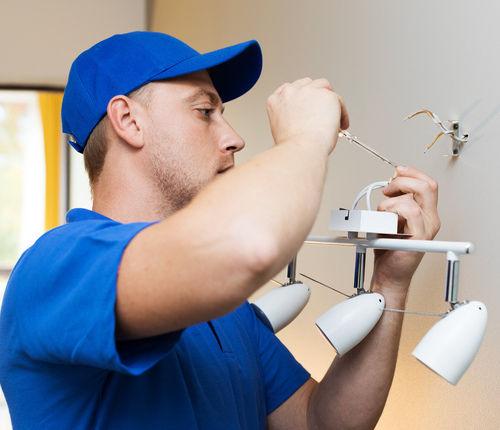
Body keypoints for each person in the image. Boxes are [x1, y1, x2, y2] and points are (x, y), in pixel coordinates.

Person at [0, 31, 440, 429]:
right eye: (205, 111)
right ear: (129, 121)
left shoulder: (224, 306)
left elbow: (319, 422)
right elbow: (246, 246)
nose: (233, 137)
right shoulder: (58, 268)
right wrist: (304, 138)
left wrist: (391, 282)